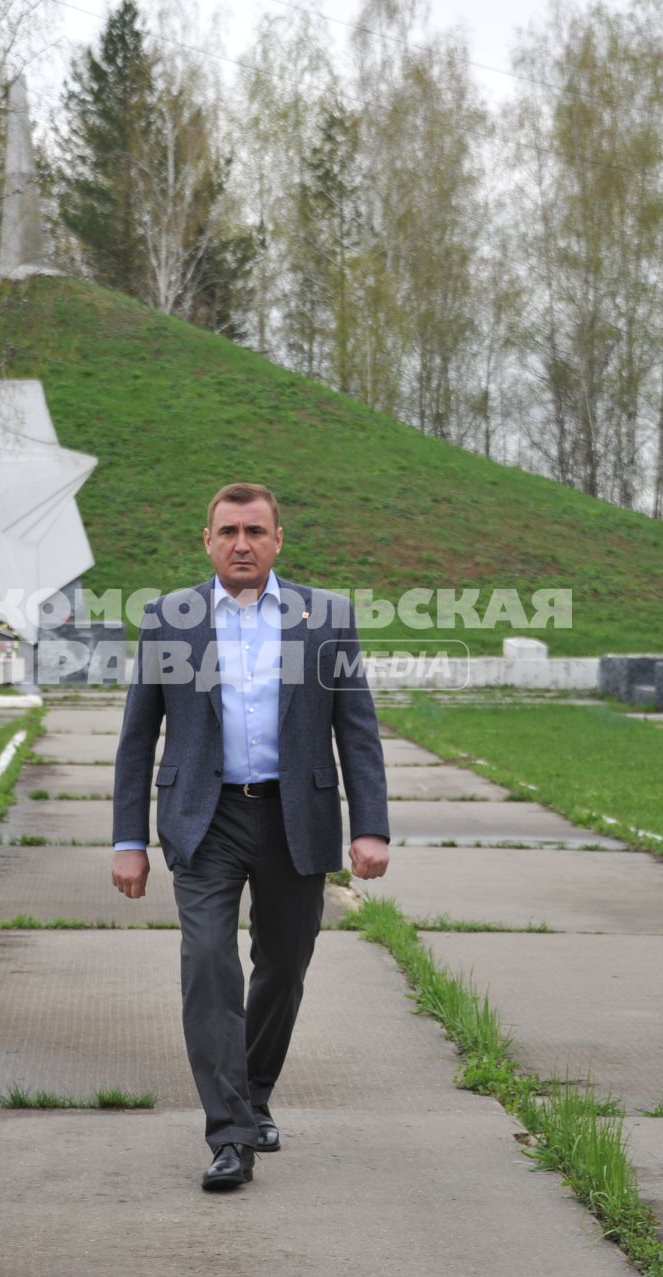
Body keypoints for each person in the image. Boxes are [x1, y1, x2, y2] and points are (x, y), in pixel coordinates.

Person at [109, 481, 391, 1191]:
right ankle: (230, 1133)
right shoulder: (168, 618)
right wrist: (128, 839)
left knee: (284, 963)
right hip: (204, 816)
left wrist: (372, 826)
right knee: (208, 962)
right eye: (229, 530)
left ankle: (253, 1091)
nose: (242, 543)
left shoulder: (326, 616)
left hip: (296, 815)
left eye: (255, 531)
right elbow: (137, 737)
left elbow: (357, 729)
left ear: (277, 539)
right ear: (206, 540)